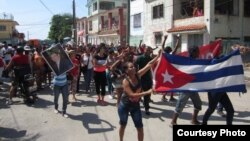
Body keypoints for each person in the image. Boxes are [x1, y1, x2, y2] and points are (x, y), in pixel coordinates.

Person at [118, 50, 161, 141]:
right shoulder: (125, 81)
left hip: (135, 106)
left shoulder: (138, 75)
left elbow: (148, 65)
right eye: (131, 67)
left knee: (140, 128)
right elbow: (132, 95)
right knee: (123, 125)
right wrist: (148, 92)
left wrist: (158, 56)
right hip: (124, 106)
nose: (134, 68)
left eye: (133, 66)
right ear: (126, 70)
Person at [170, 46, 202, 126]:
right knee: (180, 104)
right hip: (185, 88)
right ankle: (173, 122)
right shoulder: (185, 61)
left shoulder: (196, 61)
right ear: (193, 52)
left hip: (193, 88)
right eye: (197, 51)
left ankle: (194, 120)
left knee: (198, 104)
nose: (199, 53)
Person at [46, 44, 72, 118]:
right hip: (56, 83)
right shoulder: (52, 64)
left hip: (64, 83)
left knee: (65, 98)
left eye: (54, 56)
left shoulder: (65, 61)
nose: (53, 58)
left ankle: (64, 111)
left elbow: (66, 55)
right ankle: (56, 108)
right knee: (56, 98)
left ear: (58, 55)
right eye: (52, 57)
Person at [135, 45, 154, 115]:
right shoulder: (139, 58)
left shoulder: (150, 58)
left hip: (148, 79)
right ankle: (135, 107)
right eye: (147, 50)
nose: (148, 51)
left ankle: (147, 108)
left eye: (149, 50)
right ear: (144, 50)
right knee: (138, 94)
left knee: (147, 95)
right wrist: (137, 76)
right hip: (140, 78)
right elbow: (135, 66)